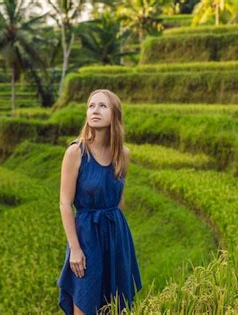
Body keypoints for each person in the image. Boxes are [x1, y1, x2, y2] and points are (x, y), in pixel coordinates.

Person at [57, 89, 142, 314]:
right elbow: (65, 203)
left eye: (102, 106)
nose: (95, 110)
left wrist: (118, 241)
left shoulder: (123, 154)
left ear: (114, 114)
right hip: (86, 237)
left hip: (116, 236)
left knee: (117, 307)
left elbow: (119, 200)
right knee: (85, 303)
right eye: (91, 105)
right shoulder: (76, 152)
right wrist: (75, 249)